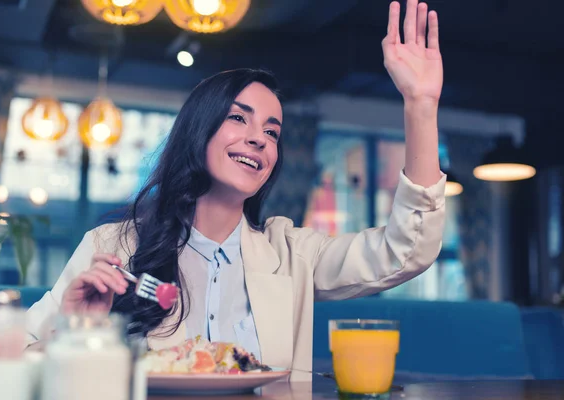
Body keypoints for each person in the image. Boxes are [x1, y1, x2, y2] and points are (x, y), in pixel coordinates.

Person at [26, 0, 446, 381]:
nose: (259, 138)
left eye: (271, 130)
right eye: (238, 119)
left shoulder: (292, 255)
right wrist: (74, 330)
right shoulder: (112, 247)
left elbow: (404, 250)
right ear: (199, 131)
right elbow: (14, 364)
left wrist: (420, 107)